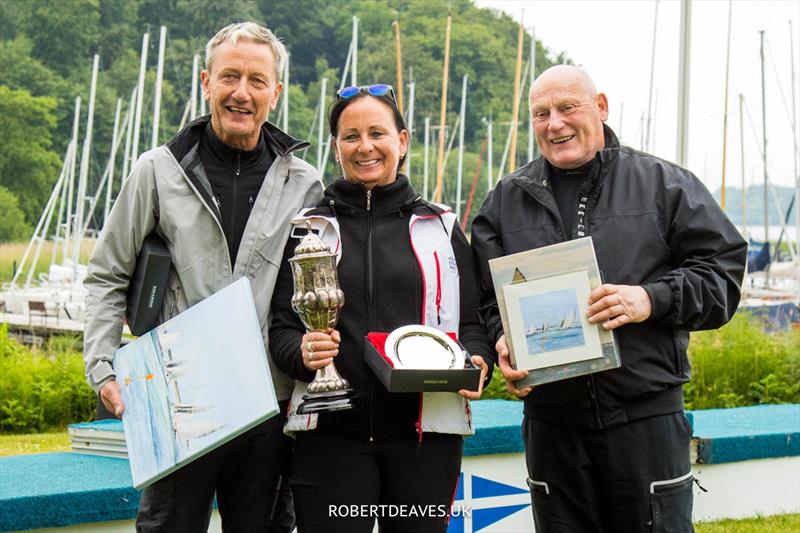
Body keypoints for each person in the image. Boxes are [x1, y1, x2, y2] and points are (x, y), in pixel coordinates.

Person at [471, 65, 747, 533]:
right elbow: (484, 301)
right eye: (541, 114)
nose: (554, 123)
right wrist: (502, 342)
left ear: (600, 107)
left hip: (646, 418)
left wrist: (651, 298)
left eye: (567, 107)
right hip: (552, 424)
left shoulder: (665, 184)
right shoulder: (504, 202)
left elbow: (724, 278)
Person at [83, 22, 322, 532]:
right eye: (229, 76)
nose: (242, 92)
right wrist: (103, 368)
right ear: (205, 82)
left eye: (257, 80)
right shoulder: (157, 171)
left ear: (275, 94)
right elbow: (106, 275)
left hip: (269, 403)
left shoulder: (304, 182)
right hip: (177, 401)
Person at [268, 84, 493, 533]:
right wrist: (302, 353)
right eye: (351, 136)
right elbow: (281, 328)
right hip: (330, 440)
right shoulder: (310, 230)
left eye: (377, 133)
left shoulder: (441, 227)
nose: (365, 147)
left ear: (402, 141)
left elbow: (472, 322)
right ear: (336, 147)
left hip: (424, 443)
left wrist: (476, 359)